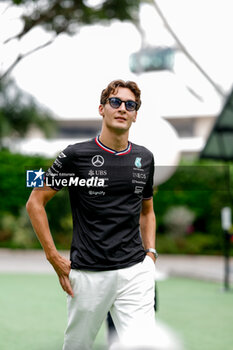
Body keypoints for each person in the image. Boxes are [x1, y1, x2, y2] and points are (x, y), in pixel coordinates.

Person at [26, 79, 158, 350]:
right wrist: (53, 256)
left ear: (135, 115)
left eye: (130, 104)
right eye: (115, 102)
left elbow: (147, 211)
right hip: (88, 275)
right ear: (102, 109)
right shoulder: (75, 155)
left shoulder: (145, 158)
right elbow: (35, 202)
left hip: (135, 272)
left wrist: (151, 254)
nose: (122, 108)